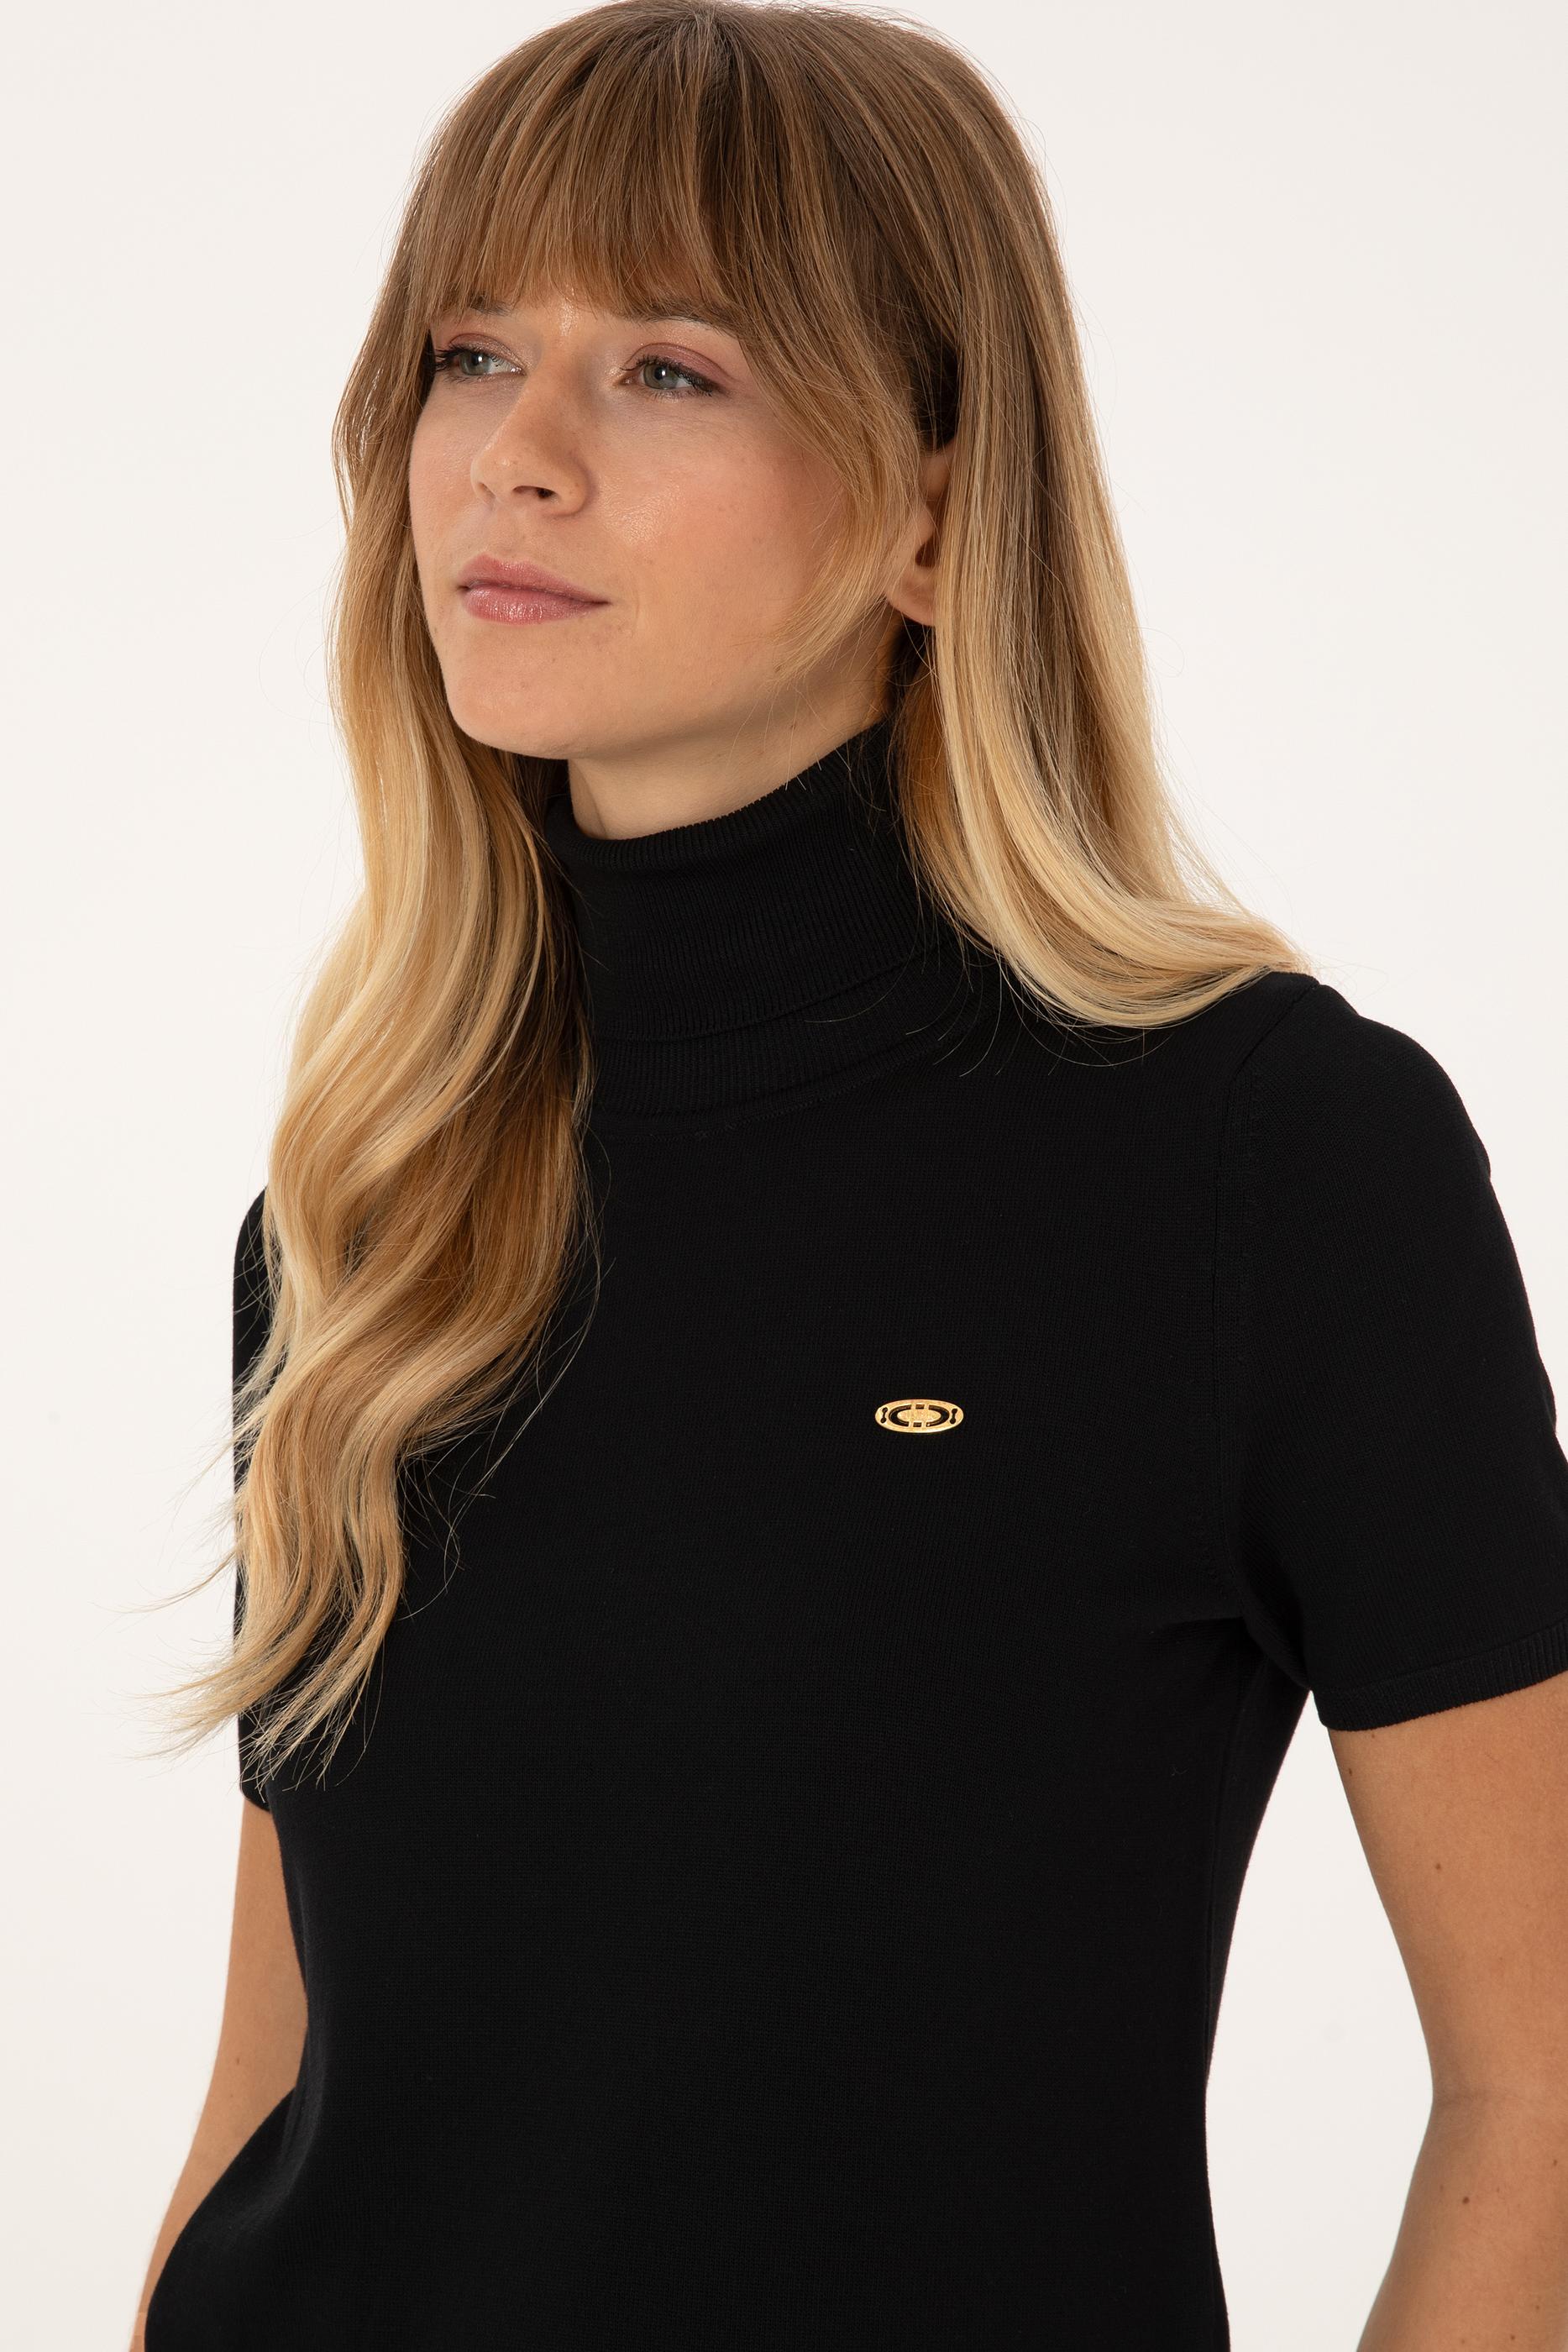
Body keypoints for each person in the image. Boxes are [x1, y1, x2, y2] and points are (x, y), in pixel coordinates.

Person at [134, 4, 1568, 2346]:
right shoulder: (372, 1206)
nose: (517, 457)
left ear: (928, 510)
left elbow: (1543, 2086)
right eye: (473, 353)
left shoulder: (1265, 1160)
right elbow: (291, 2077)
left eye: (668, 369)